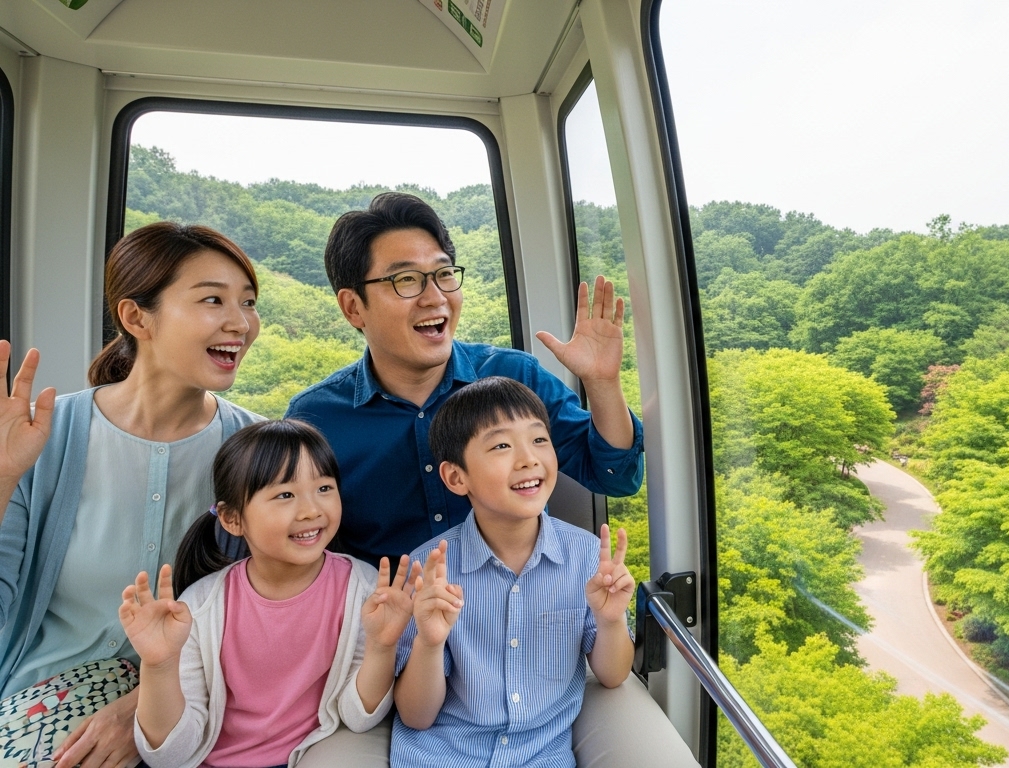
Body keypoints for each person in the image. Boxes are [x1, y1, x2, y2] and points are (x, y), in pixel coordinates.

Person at [0, 223, 264, 768]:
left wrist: (142, 706)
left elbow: (275, 614)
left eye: (248, 303)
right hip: (45, 702)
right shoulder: (44, 438)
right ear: (135, 317)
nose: (240, 323)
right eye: (213, 299)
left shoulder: (258, 451)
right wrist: (3, 475)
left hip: (200, 706)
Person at [285, 192, 644, 569]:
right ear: (353, 307)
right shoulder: (316, 418)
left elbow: (616, 477)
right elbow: (300, 545)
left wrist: (602, 384)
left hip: (521, 613)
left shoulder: (514, 377)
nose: (435, 297)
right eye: (406, 279)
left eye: (443, 274)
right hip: (393, 621)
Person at [121, 420, 418, 768]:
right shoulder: (200, 607)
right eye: (285, 495)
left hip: (310, 754)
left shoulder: (363, 588)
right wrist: (159, 666)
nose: (311, 510)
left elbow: (358, 718)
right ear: (233, 519)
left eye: (324, 488)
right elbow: (170, 754)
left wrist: (382, 647)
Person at [391, 376, 635, 767]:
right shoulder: (429, 570)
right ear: (456, 477)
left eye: (539, 440)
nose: (528, 459)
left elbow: (613, 675)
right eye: (501, 445)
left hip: (541, 757)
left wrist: (610, 621)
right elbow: (416, 716)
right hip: (443, 757)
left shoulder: (586, 557)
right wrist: (431, 643)